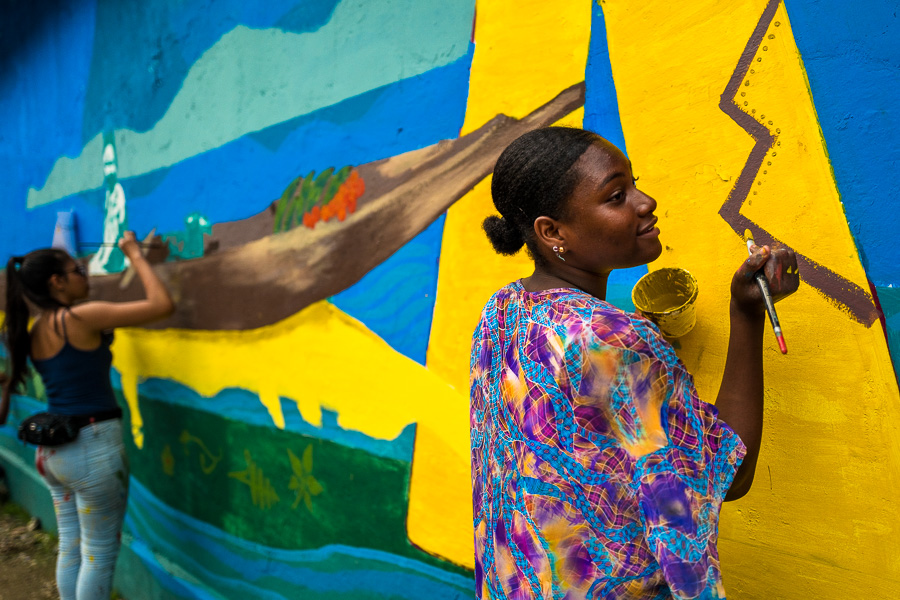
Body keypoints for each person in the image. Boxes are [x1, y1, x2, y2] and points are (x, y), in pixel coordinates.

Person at [470, 127, 798, 599]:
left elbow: (572, 427)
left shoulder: (503, 311)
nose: (646, 202)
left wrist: (637, 361)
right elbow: (730, 474)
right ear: (552, 231)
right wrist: (745, 314)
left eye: (634, 183)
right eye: (616, 196)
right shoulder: (613, 340)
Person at [1, 232, 174, 600]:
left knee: (71, 546)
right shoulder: (81, 317)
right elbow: (161, 305)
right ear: (56, 282)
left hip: (53, 453)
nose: (86, 274)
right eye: (77, 269)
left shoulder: (37, 330)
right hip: (92, 451)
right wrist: (135, 255)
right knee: (99, 554)